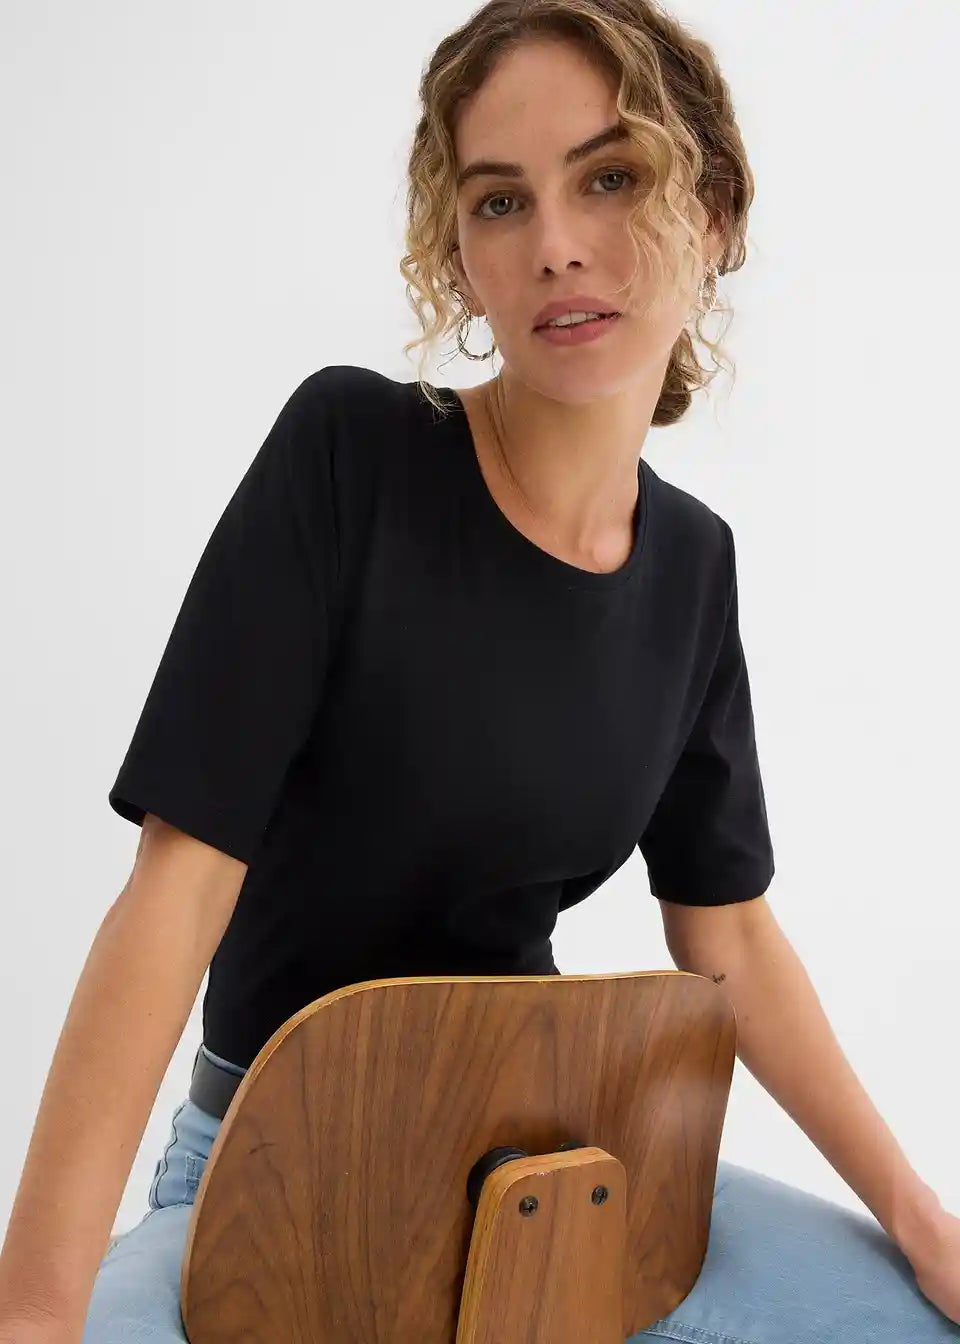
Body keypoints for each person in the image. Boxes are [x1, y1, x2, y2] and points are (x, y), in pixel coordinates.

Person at [1, 2, 958, 1340]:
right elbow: (175, 896)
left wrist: (923, 1220)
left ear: (716, 212)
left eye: (610, 176)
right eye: (501, 201)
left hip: (558, 1175)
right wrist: (34, 1315)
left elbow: (730, 934)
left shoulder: (695, 565)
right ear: (460, 254)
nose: (556, 243)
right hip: (274, 1175)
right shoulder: (351, 457)